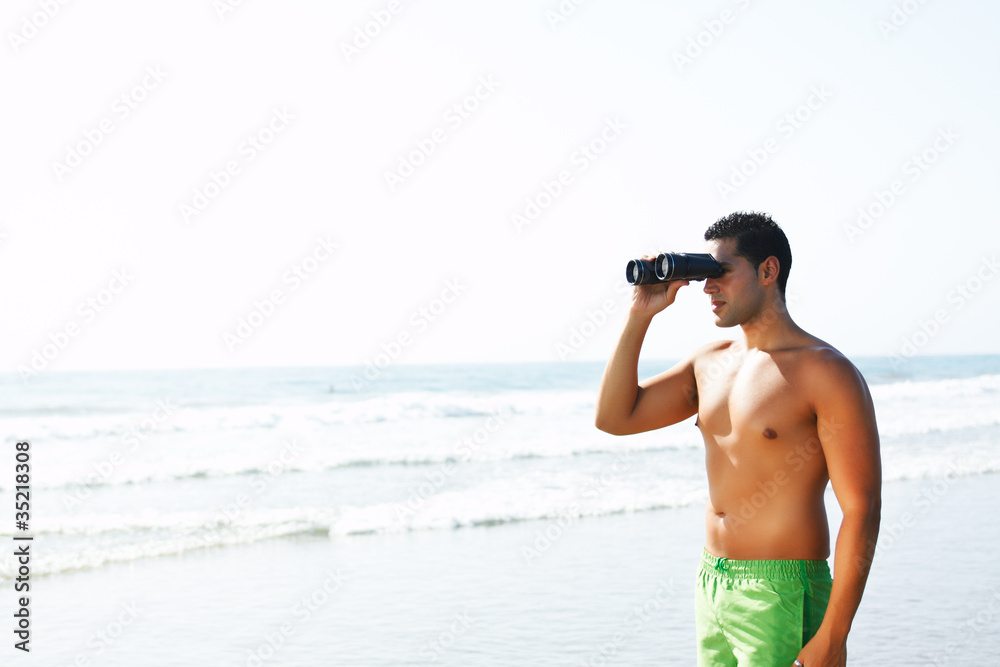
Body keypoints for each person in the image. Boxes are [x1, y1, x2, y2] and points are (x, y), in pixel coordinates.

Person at [595, 212, 881, 666]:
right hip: (712, 581)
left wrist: (833, 635)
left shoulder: (825, 372)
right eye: (704, 274)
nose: (707, 287)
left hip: (783, 589)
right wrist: (639, 315)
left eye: (720, 273)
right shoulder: (709, 362)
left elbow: (861, 509)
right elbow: (614, 417)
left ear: (768, 271)